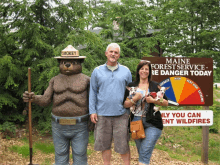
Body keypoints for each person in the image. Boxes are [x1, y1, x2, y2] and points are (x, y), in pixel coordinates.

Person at [89, 43, 132, 165]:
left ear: (119, 55)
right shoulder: (97, 71)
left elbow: (130, 92)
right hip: (102, 114)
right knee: (104, 145)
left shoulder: (126, 71)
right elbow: (92, 92)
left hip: (121, 114)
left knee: (123, 145)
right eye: (111, 51)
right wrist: (92, 111)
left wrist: (128, 109)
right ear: (106, 53)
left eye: (116, 52)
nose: (113, 54)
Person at [123, 60, 168, 165]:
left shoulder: (155, 86)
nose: (144, 71)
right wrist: (135, 98)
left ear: (149, 71)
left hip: (153, 122)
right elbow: (125, 104)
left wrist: (154, 100)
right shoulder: (132, 85)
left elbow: (165, 102)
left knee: (144, 151)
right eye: (142, 69)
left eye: (146, 69)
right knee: (142, 152)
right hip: (136, 122)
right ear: (138, 71)